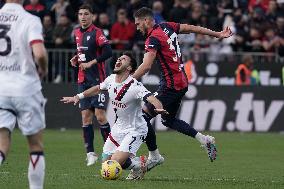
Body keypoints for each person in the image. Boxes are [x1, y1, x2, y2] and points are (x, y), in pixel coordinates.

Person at [131, 7, 233, 175]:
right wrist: (217, 34)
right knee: (168, 120)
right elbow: (192, 28)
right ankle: (205, 140)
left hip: (171, 85)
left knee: (142, 118)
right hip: (180, 82)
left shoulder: (153, 38)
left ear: (146, 20)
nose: (137, 28)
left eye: (138, 24)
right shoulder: (167, 26)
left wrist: (128, 80)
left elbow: (147, 65)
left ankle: (154, 156)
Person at [61, 52, 168, 180]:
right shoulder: (110, 79)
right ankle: (138, 163)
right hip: (118, 127)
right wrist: (77, 97)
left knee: (116, 162)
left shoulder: (134, 86)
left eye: (123, 59)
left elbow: (151, 98)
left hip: (135, 129)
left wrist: (159, 107)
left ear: (129, 68)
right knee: (106, 164)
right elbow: (97, 88)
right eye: (119, 58)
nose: (119, 59)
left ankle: (139, 166)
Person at [0, 1, 48, 189]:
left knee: (2, 144)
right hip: (25, 88)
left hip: (1, 88)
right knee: (35, 145)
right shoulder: (30, 19)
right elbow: (40, 54)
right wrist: (43, 69)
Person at [70, 4, 113, 166]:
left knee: (100, 115)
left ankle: (110, 150)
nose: (83, 16)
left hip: (98, 80)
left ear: (92, 16)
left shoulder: (97, 32)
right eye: (80, 14)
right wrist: (76, 58)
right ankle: (90, 153)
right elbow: (82, 51)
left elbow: (108, 52)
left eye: (86, 14)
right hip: (83, 80)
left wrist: (91, 63)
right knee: (85, 116)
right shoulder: (76, 32)